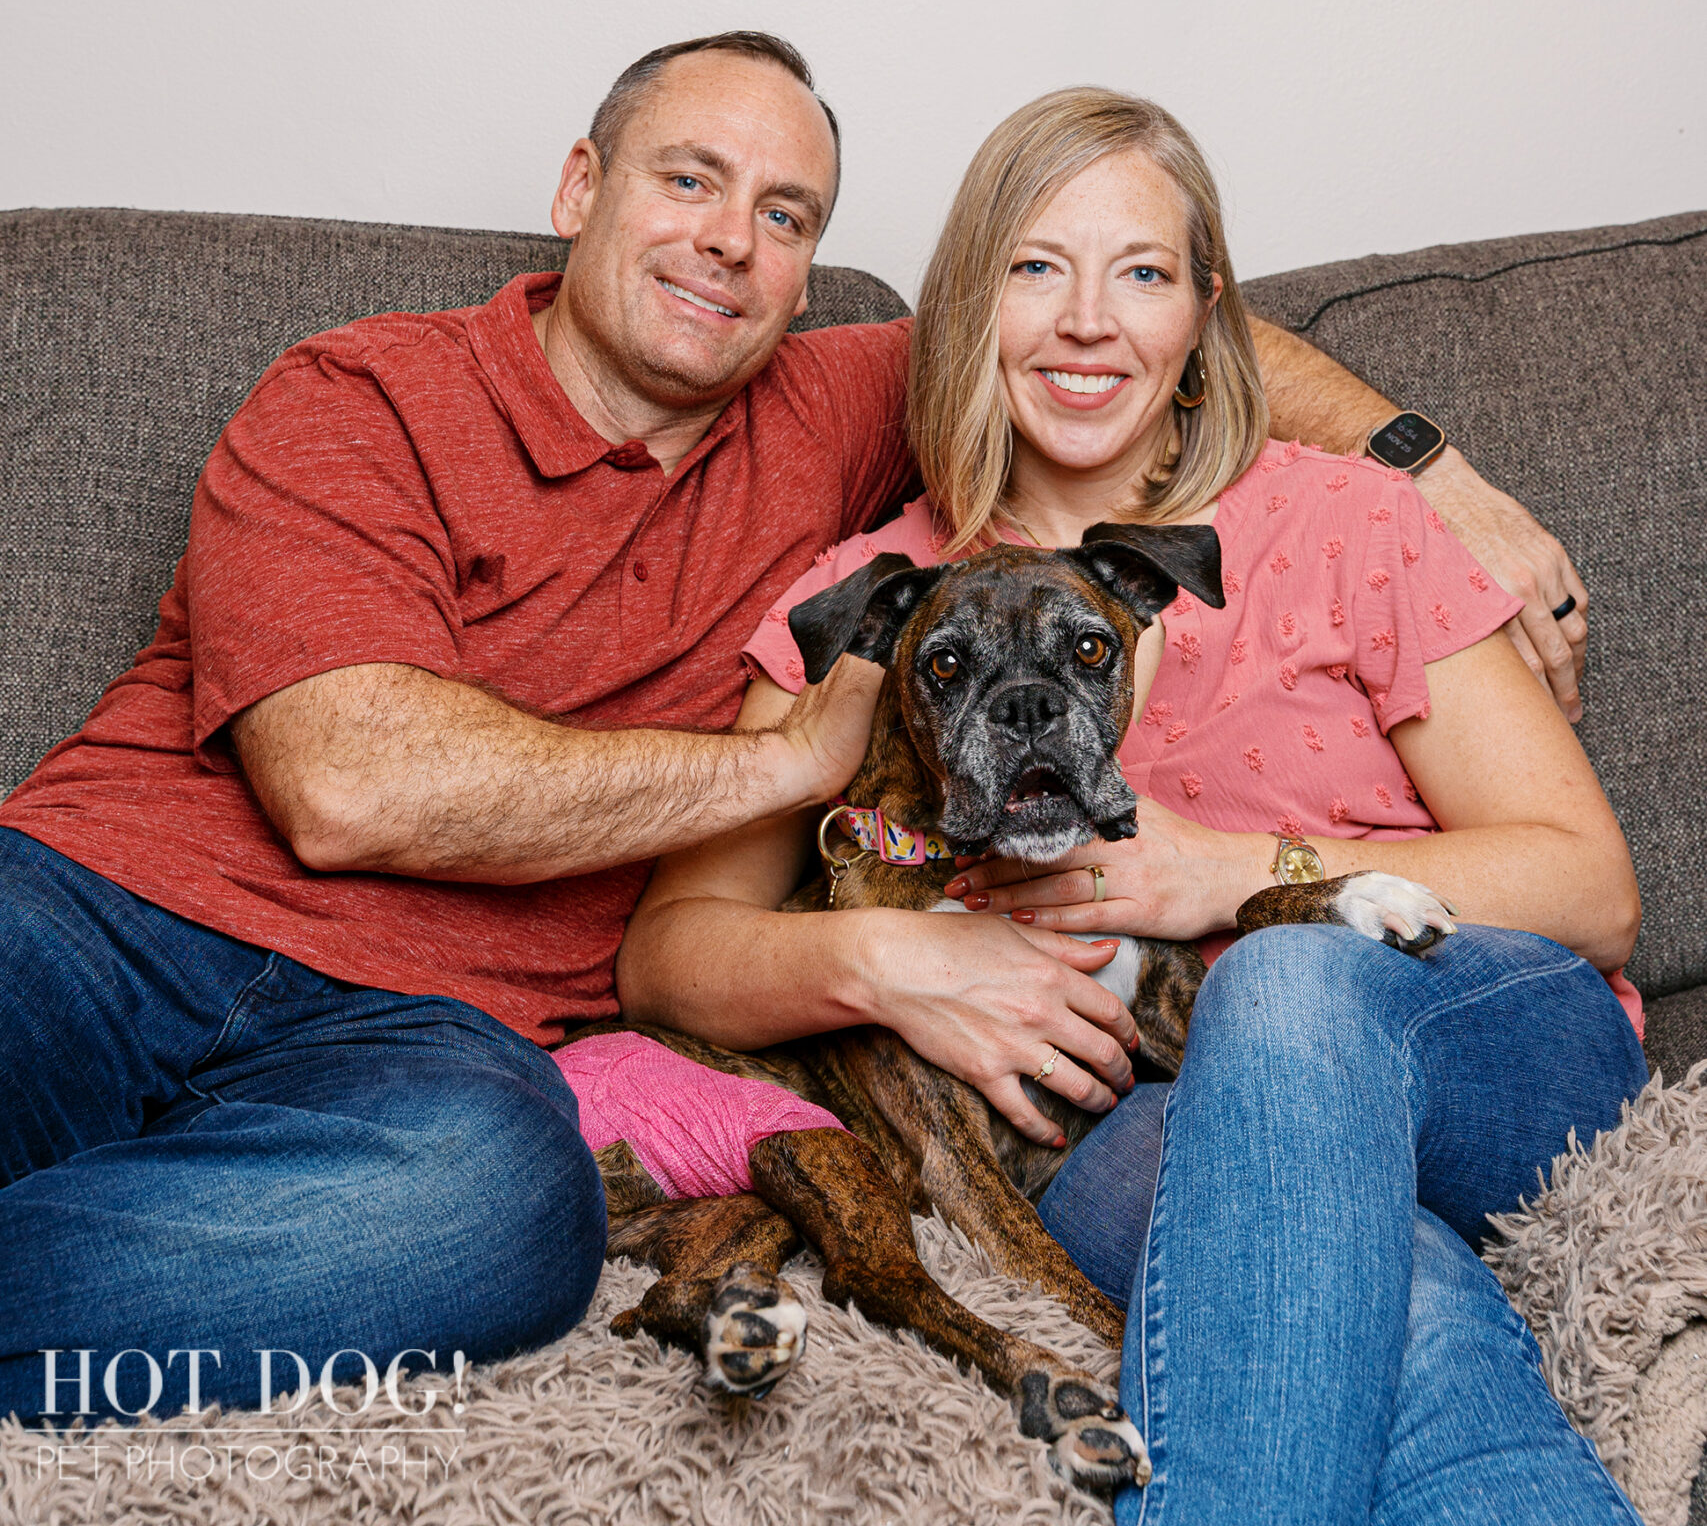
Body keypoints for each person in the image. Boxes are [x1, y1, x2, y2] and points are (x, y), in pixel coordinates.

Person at [0, 35, 1586, 1426]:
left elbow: (1122, 338)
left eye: (785, 218)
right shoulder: (366, 394)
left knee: (498, 1215)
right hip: (104, 912)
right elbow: (344, 787)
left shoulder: (845, 405)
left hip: (425, 1041)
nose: (727, 246)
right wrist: (796, 790)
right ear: (577, 187)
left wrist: (1431, 468)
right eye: (688, 180)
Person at [619, 87, 1644, 1524]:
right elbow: (667, 952)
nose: (1089, 322)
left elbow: (1590, 886)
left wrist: (1221, 872)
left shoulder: (1338, 522)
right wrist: (886, 958)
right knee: (1396, 1309)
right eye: (1036, 269)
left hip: (1479, 1045)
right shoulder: (872, 605)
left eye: (1142, 274)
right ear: (969, 308)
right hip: (1149, 1118)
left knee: (1282, 985)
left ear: (1202, 315)